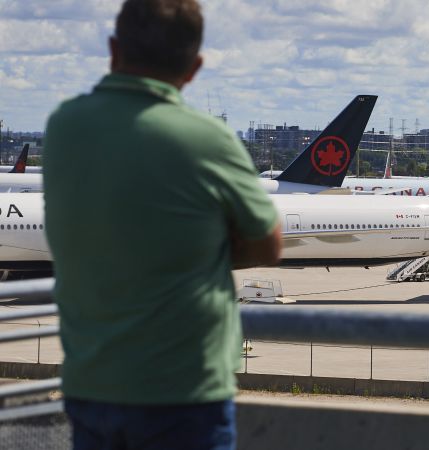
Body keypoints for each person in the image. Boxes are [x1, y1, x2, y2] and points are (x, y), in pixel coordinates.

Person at [43, 1, 281, 448]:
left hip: (92, 384)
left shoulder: (62, 125)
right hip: (184, 390)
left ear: (113, 50)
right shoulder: (208, 137)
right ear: (193, 68)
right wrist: (207, 247)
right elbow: (269, 246)